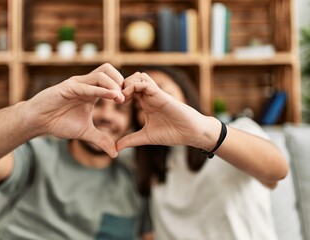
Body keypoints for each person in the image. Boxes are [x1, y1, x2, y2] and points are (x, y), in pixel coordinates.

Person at [0, 63, 144, 240]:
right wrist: (30, 115)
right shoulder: (39, 155)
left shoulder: (135, 179)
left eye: (120, 109)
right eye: (98, 104)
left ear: (130, 123)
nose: (107, 116)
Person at [120, 66, 288, 240]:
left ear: (184, 93)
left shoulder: (237, 130)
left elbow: (278, 169)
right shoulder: (145, 162)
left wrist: (203, 134)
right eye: (138, 107)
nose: (149, 105)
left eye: (159, 90)